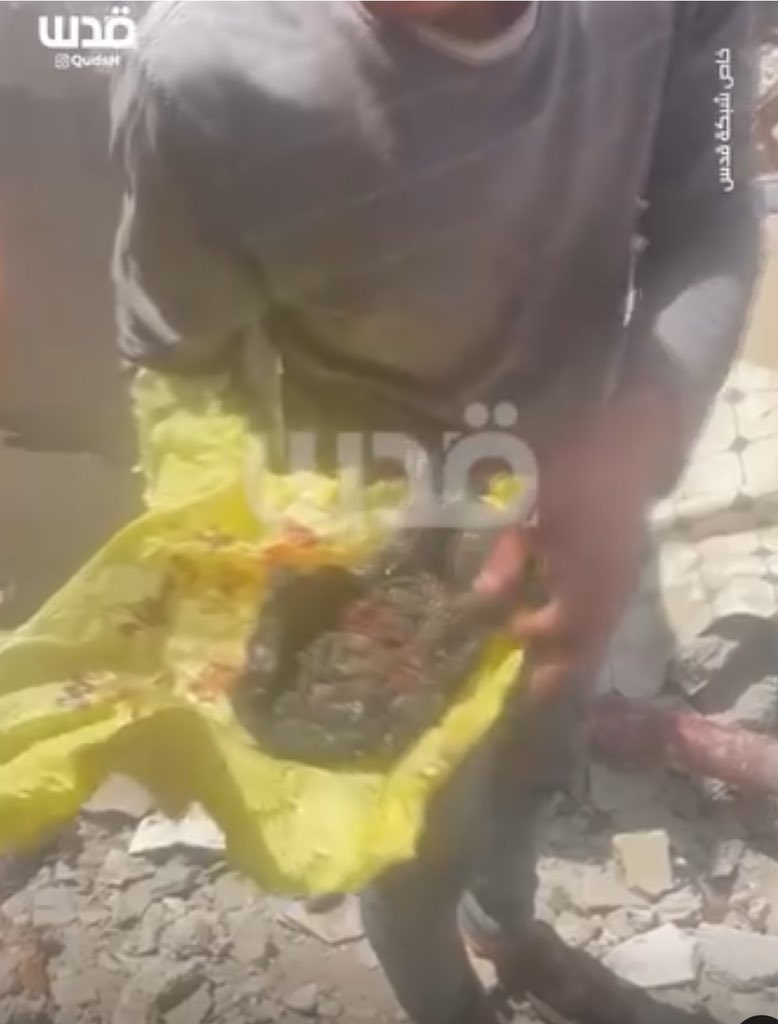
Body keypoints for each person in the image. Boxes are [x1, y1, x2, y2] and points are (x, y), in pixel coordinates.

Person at [111, 3, 759, 1022]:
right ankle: (447, 999)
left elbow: (712, 202)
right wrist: (222, 565)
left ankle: (508, 928)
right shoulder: (204, 66)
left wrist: (635, 435)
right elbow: (180, 357)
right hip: (368, 579)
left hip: (570, 533)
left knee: (533, 774)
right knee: (415, 849)